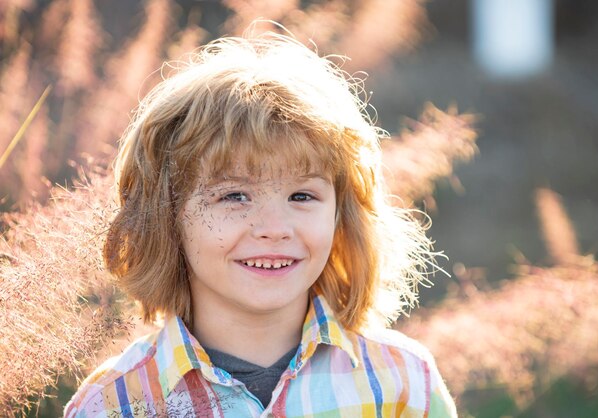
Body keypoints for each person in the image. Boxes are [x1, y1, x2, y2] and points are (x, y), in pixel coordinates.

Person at [64, 30, 457, 417]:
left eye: (301, 196)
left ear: (341, 216)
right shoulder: (113, 404)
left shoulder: (402, 383)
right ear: (165, 218)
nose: (274, 227)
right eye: (234, 196)